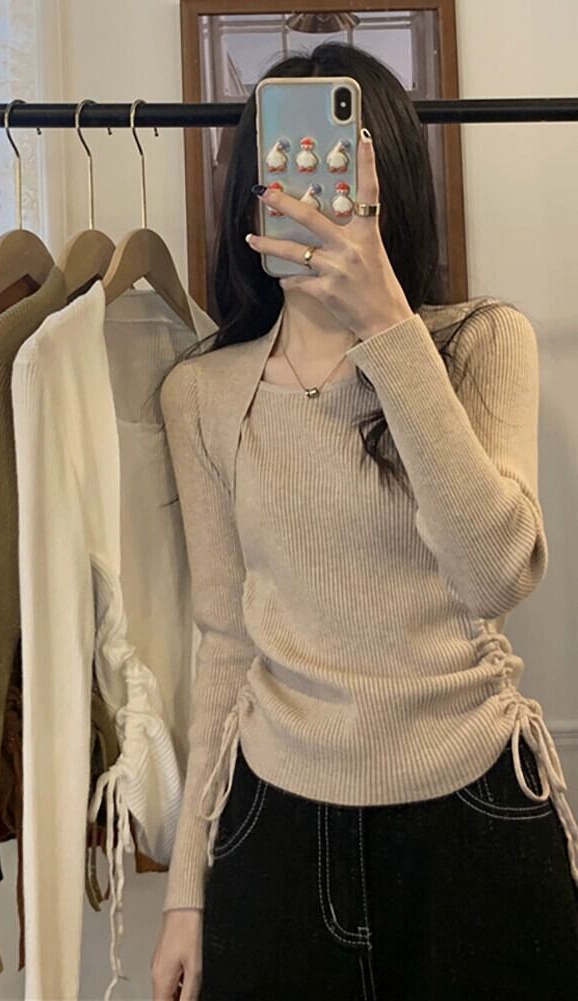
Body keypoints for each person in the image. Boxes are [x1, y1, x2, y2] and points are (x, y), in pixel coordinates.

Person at [151, 41, 578, 1001]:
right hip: (273, 827)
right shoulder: (203, 394)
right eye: (283, 169)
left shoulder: (478, 346)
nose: (308, 195)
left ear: (390, 188)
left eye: (335, 172)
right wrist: (185, 894)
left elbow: (495, 575)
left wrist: (387, 327)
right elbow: (224, 642)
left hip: (475, 820)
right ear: (249, 193)